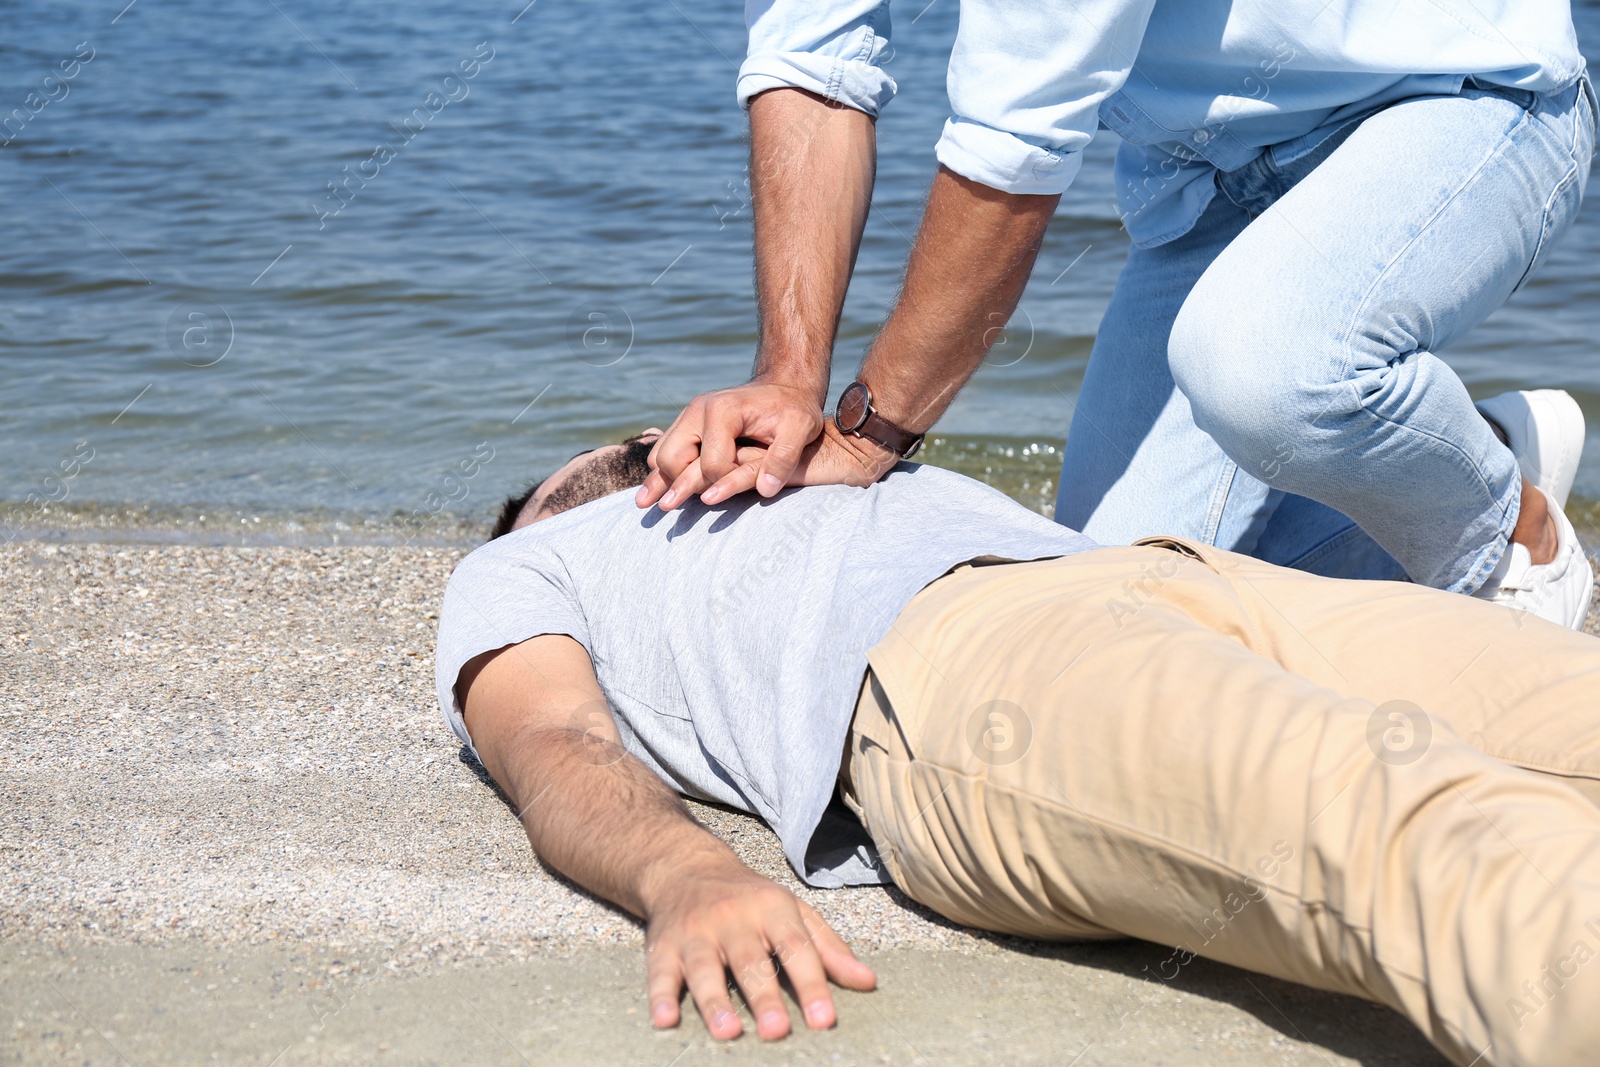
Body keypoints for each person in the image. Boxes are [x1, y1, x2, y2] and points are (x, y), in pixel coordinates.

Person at [437, 430, 1600, 1067]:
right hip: (951, 674)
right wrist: (685, 874)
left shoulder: (807, 447)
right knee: (1414, 828)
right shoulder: (527, 559)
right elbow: (550, 736)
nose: (631, 449)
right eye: (588, 462)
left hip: (1170, 574)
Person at [635, 0, 1597, 629]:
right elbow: (811, 61)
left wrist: (865, 432)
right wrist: (789, 379)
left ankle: (1510, 530)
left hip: (1463, 98)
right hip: (1210, 177)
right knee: (1117, 616)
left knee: (1264, 369)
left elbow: (1011, 149)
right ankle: (1466, 451)